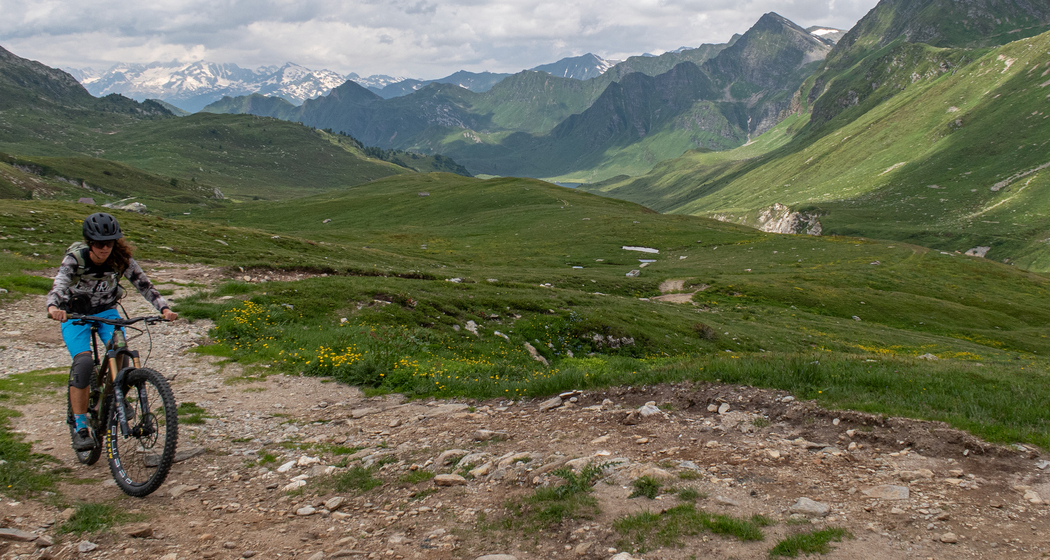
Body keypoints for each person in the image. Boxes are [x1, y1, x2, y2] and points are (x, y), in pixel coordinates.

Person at [46, 212, 178, 451]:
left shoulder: (121, 259)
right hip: (75, 314)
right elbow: (60, 283)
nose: (104, 248)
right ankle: (81, 427)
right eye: (98, 243)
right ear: (89, 242)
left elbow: (144, 285)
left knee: (122, 352)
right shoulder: (75, 259)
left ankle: (117, 397)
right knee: (84, 364)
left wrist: (164, 308)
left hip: (107, 312)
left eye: (109, 242)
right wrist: (54, 306)